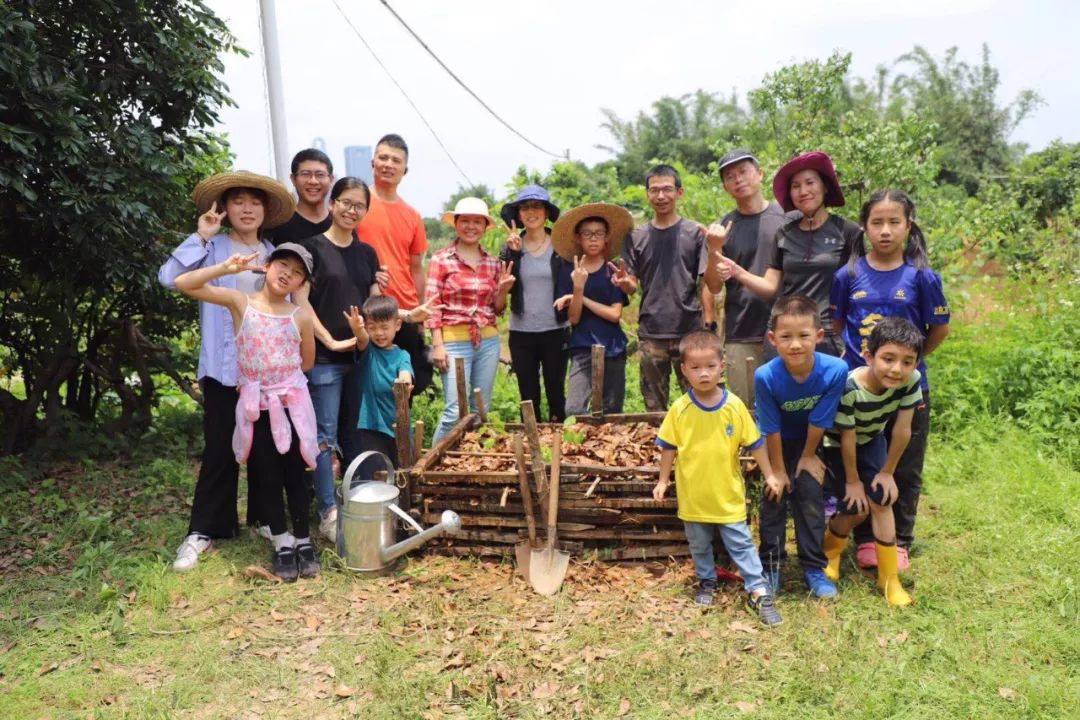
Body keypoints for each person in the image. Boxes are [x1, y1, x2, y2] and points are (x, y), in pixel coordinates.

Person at [159, 171, 294, 571]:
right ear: (225, 208)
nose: (247, 208)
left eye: (255, 202)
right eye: (238, 201)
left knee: (265, 452)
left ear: (266, 210)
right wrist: (201, 237)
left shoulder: (275, 255)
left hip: (266, 373)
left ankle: (267, 520)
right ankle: (203, 529)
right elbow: (170, 279)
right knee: (220, 449)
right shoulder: (212, 247)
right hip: (221, 369)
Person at [173, 243, 320, 581]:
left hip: (293, 407)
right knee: (267, 472)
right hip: (259, 408)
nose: (287, 273)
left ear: (301, 283)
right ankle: (282, 542)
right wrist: (226, 269)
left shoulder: (301, 316)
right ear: (267, 265)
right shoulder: (241, 304)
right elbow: (185, 284)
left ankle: (303, 539)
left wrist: (286, 385)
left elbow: (307, 361)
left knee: (296, 473)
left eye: (297, 272)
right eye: (282, 264)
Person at [830, 190, 951, 570]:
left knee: (905, 465)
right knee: (865, 461)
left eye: (894, 222)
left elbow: (939, 328)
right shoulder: (847, 275)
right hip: (860, 391)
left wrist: (904, 367)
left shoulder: (922, 277)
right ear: (864, 228)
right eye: (876, 223)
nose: (885, 231)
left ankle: (900, 539)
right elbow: (838, 325)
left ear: (908, 226)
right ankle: (866, 538)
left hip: (908, 392)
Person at [651, 331, 783, 626]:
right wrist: (662, 480)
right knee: (699, 544)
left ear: (722, 366)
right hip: (693, 496)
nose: (704, 373)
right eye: (695, 368)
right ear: (684, 370)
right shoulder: (679, 410)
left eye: (710, 365)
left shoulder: (734, 406)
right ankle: (707, 580)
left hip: (727, 495)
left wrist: (771, 473)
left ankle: (758, 589)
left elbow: (756, 442)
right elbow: (668, 447)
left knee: (742, 544)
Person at [294, 177, 383, 541]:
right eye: (345, 202)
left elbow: (375, 302)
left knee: (355, 432)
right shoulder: (309, 249)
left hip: (360, 356)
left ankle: (360, 503)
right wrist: (328, 337)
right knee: (324, 436)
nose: (351, 210)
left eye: (359, 206)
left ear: (365, 212)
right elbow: (299, 300)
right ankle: (328, 510)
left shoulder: (366, 254)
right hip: (326, 359)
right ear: (332, 204)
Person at [715, 151, 860, 357]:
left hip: (831, 334)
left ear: (825, 186)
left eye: (810, 183)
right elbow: (770, 287)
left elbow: (861, 287)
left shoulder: (848, 231)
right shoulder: (784, 233)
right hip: (787, 335)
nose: (803, 191)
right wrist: (736, 271)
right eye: (795, 186)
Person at [821, 317, 924, 606]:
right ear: (869, 356)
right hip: (838, 442)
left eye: (907, 361)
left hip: (873, 439)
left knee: (882, 499)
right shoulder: (851, 386)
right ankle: (831, 550)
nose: (897, 369)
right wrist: (853, 482)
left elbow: (903, 429)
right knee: (857, 508)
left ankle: (889, 579)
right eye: (888, 359)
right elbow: (847, 436)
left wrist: (888, 472)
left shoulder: (911, 382)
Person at [753, 295, 848, 598]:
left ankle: (813, 567)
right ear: (773, 339)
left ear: (819, 336)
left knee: (810, 497)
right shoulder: (766, 376)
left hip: (811, 442)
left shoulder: (835, 370)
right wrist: (778, 471)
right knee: (773, 498)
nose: (795, 345)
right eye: (786, 337)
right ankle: (771, 565)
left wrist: (808, 457)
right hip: (775, 444)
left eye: (803, 336)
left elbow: (821, 418)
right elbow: (770, 426)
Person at [610, 165, 709, 411]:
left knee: (699, 399)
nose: (661, 196)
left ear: (679, 192)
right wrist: (625, 284)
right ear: (647, 195)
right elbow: (632, 285)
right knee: (654, 406)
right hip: (652, 331)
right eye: (655, 190)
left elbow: (707, 281)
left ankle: (697, 450)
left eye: (667, 189)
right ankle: (662, 449)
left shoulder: (695, 233)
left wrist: (709, 322)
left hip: (690, 330)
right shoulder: (636, 237)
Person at [699, 149, 793, 406]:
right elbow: (713, 285)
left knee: (789, 408)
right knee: (746, 412)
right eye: (730, 176)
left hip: (787, 329)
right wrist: (715, 248)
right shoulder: (722, 227)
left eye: (743, 172)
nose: (738, 179)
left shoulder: (787, 219)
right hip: (741, 329)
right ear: (726, 187)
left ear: (760, 174)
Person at [424, 197, 514, 442]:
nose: (471, 226)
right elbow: (433, 307)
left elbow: (497, 309)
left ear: (485, 226)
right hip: (453, 343)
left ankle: (464, 462)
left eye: (477, 222)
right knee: (454, 411)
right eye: (465, 221)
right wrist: (438, 345)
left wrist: (503, 290)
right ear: (456, 223)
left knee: (479, 412)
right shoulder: (441, 259)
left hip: (488, 342)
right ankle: (432, 467)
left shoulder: (493, 263)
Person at [356, 134, 433, 398]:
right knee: (365, 388)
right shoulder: (357, 206)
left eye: (396, 160)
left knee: (405, 390)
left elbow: (416, 268)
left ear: (405, 169)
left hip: (405, 314)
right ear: (373, 162)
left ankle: (402, 440)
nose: (388, 164)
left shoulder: (412, 215)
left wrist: (419, 316)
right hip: (368, 312)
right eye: (383, 157)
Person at [551, 203, 634, 416]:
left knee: (612, 410)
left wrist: (581, 297)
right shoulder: (569, 270)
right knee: (574, 409)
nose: (593, 238)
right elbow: (574, 318)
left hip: (613, 346)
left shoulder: (612, 270)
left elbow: (615, 314)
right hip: (582, 346)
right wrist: (577, 286)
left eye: (599, 233)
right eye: (587, 234)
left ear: (607, 237)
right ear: (578, 238)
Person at [498, 185, 570, 422]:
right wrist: (514, 253)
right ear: (518, 214)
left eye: (537, 206)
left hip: (556, 329)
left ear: (546, 212)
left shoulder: (561, 246)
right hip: (522, 332)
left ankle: (559, 447)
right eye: (525, 207)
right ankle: (532, 445)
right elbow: (503, 282)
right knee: (528, 396)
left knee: (556, 391)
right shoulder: (510, 247)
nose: (531, 212)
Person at [344, 295, 414, 466]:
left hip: (399, 422)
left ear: (397, 325)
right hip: (372, 424)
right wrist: (357, 329)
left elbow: (405, 373)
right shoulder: (368, 351)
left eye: (384, 327)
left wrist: (404, 382)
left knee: (404, 469)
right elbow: (362, 338)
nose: (379, 333)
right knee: (380, 473)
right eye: (372, 327)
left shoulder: (402, 355)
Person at [265, 148, 335, 245]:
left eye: (320, 175)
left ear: (331, 179)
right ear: (293, 179)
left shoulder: (339, 222)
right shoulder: (279, 224)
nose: (313, 181)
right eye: (305, 174)